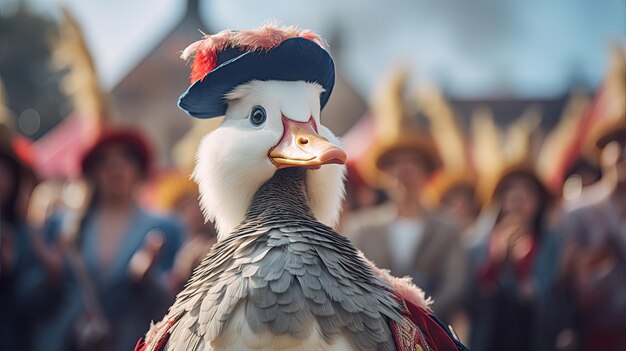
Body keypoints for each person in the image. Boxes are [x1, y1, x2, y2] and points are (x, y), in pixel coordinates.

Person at [35, 127, 183, 351]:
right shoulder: (62, 225)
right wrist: (52, 280)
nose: (115, 167)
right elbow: (29, 301)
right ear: (92, 171)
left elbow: (178, 301)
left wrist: (145, 280)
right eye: (105, 160)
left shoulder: (166, 228)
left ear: (139, 167)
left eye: (125, 157)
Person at [353, 133, 466, 324]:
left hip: (433, 332)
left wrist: (422, 315)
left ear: (426, 174)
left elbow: (455, 284)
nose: (404, 171)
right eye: (395, 164)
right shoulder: (362, 228)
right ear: (383, 176)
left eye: (414, 163)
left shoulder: (448, 229)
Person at [466, 166, 555, 351]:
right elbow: (470, 300)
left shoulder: (551, 245)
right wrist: (497, 263)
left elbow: (552, 300)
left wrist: (522, 274)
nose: (518, 196)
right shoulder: (477, 246)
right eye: (509, 189)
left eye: (527, 190)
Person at [558, 120, 626, 351]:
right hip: (594, 333)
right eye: (617, 144)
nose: (623, 152)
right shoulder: (579, 209)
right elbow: (569, 275)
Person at [154, 171, 217, 292]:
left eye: (198, 202)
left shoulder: (218, 236)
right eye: (184, 208)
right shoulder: (170, 244)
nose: (194, 211)